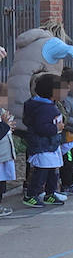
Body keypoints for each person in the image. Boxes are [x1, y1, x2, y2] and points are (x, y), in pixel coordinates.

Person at [5, 18, 73, 121]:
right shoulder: (52, 43)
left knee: (21, 122)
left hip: (14, 93)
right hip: (34, 93)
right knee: (42, 126)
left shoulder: (27, 44)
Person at [21, 72, 64, 207]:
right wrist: (56, 128)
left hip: (50, 145)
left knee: (53, 171)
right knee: (41, 172)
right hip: (43, 145)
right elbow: (41, 128)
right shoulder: (44, 108)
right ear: (52, 92)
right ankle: (31, 195)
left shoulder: (46, 105)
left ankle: (50, 193)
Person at [0, 82, 16, 216]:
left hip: (4, 155)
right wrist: (5, 126)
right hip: (1, 155)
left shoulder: (3, 112)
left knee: (2, 183)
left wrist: (8, 126)